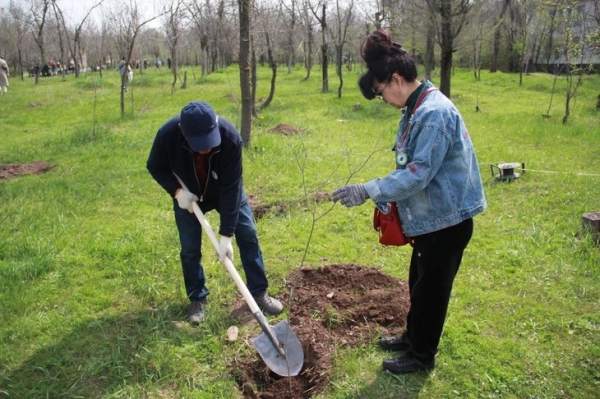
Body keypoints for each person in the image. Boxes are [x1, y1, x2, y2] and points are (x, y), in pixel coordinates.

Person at [332, 30, 486, 374]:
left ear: (397, 80)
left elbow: (417, 173)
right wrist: (389, 200)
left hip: (447, 221)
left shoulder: (432, 112)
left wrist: (370, 189)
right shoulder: (415, 108)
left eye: (381, 91)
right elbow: (407, 165)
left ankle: (421, 356)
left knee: (431, 292)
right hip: (432, 218)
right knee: (419, 283)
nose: (384, 99)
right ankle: (412, 336)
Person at [147, 101, 283, 325]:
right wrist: (177, 191)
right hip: (188, 196)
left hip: (223, 191)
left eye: (209, 141)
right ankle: (197, 298)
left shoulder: (230, 138)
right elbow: (155, 166)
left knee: (248, 234)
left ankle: (258, 293)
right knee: (190, 248)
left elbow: (232, 188)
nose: (205, 149)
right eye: (199, 144)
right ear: (183, 131)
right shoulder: (168, 135)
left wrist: (226, 235)